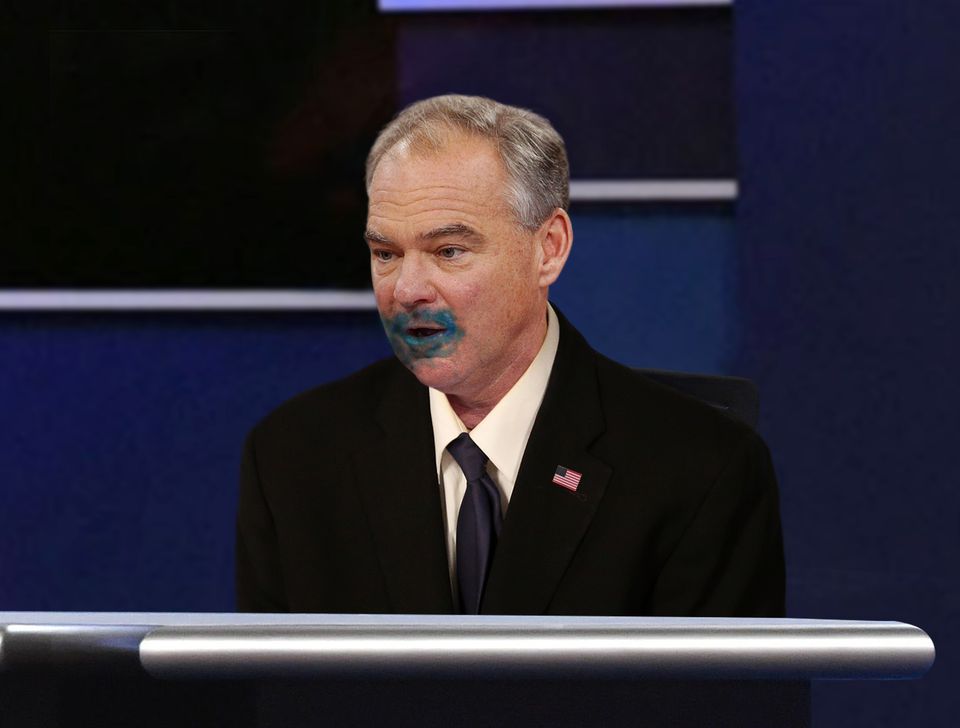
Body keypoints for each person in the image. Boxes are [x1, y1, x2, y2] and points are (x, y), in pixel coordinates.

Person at [236, 94, 785, 616]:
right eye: (386, 253)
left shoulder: (700, 471)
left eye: (449, 251)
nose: (406, 289)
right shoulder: (293, 460)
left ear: (549, 248)